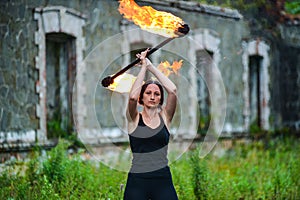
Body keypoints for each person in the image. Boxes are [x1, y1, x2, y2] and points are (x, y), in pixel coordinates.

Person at [124, 48, 178, 200]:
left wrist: (150, 66)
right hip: (137, 180)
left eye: (157, 94)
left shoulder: (165, 118)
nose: (153, 97)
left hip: (162, 180)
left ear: (161, 99)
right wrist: (142, 68)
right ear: (143, 97)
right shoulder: (134, 118)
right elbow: (133, 98)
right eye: (148, 93)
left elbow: (173, 90)